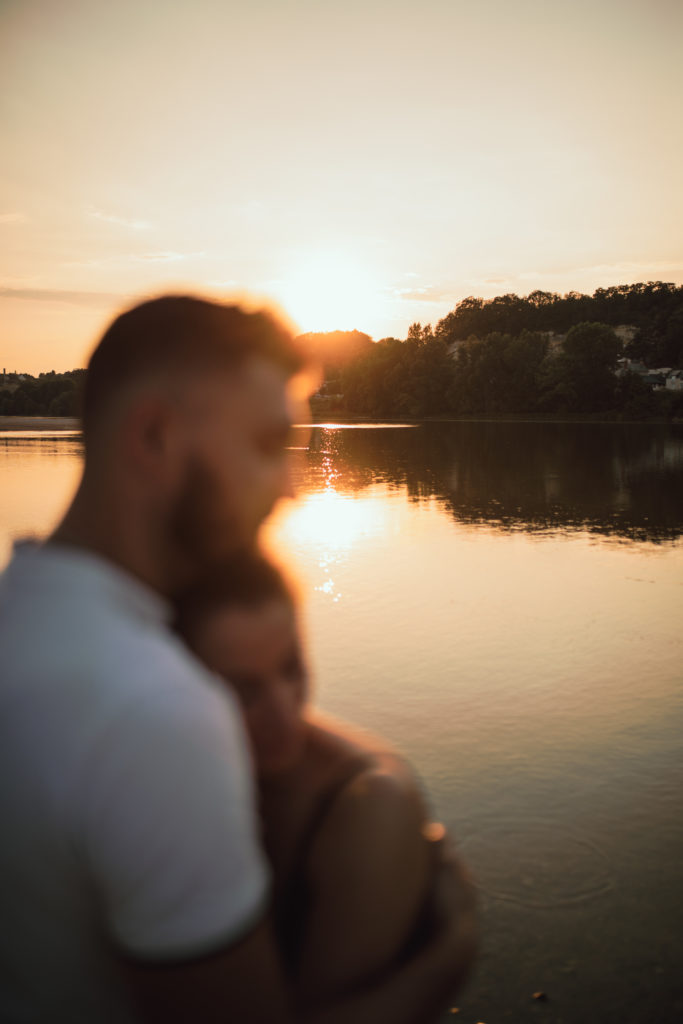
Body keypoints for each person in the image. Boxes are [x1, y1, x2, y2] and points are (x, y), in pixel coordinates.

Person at [0, 294, 475, 1024]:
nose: (288, 487)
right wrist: (443, 965)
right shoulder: (154, 713)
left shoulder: (26, 618)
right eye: (264, 442)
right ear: (154, 435)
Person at [175, 548, 452, 1007]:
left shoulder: (368, 807)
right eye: (243, 691)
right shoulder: (164, 775)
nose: (285, 716)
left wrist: (451, 957)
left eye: (292, 670)